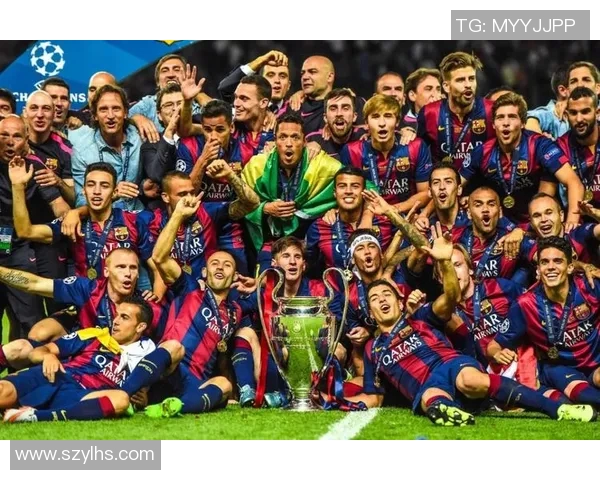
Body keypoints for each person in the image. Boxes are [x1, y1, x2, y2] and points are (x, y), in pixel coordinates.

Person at [344, 275, 595, 425]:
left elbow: (449, 298)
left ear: (400, 303)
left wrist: (444, 262)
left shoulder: (420, 318)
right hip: (425, 385)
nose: (382, 299)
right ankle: (450, 413)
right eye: (375, 298)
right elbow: (374, 398)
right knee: (430, 396)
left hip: (451, 364)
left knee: (469, 381)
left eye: (387, 294)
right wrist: (331, 400)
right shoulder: (372, 349)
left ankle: (558, 409)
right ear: (370, 313)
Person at [147, 208, 253, 415]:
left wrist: (259, 282)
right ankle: (131, 393)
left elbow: (271, 293)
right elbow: (159, 258)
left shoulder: (236, 310)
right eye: (214, 263)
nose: (220, 268)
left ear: (235, 276)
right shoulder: (190, 289)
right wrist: (178, 215)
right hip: (171, 370)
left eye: (227, 265)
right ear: (204, 272)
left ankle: (174, 408)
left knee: (224, 385)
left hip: (196, 383)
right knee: (171, 350)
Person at [1, 297, 156, 423]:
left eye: (124, 317)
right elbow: (36, 353)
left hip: (82, 396)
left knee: (120, 400)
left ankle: (34, 416)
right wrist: (48, 356)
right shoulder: (95, 335)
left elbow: (141, 393)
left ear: (140, 327)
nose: (116, 321)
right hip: (57, 377)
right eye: (116, 315)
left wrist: (142, 399)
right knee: (3, 392)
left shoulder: (148, 355)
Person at [11, 161, 157, 295]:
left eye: (104, 186)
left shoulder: (133, 221)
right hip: (88, 302)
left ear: (114, 193)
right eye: (91, 185)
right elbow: (25, 231)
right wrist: (17, 187)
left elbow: (157, 266)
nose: (97, 191)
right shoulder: (71, 224)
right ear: (83, 190)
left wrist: (156, 296)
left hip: (128, 303)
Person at [488, 236, 600, 409]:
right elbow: (493, 345)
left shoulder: (589, 287)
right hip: (559, 367)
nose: (551, 267)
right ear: (538, 269)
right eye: (545, 262)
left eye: (558, 261)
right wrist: (497, 353)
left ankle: (551, 394)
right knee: (582, 394)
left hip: (596, 363)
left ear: (570, 267)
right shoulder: (525, 304)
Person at [460, 92, 584, 228]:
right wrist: (465, 198)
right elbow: (454, 185)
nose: (505, 123)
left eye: (512, 117)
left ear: (523, 123)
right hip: (500, 224)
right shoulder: (482, 152)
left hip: (537, 223)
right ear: (493, 124)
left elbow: (574, 182)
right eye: (500, 118)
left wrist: (572, 221)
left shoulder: (540, 145)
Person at [232, 236, 326, 407]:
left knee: (337, 349)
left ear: (304, 265)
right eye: (286, 256)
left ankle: (295, 393)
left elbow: (334, 323)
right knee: (245, 332)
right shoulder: (265, 293)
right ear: (274, 264)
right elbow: (235, 310)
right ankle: (248, 391)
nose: (292, 262)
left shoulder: (317, 290)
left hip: (308, 362)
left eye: (297, 257)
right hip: (271, 366)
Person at [242, 112, 342, 271]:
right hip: (272, 242)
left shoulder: (320, 165)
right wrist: (264, 208)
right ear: (274, 141)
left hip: (308, 244)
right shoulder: (258, 166)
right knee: (266, 283)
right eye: (282, 137)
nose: (289, 143)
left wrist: (338, 209)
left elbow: (359, 186)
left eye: (295, 137)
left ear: (304, 141)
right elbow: (240, 204)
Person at [0, 247, 167, 343]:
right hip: (86, 349)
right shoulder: (87, 288)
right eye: (121, 267)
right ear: (106, 271)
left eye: (133, 268)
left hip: (119, 363)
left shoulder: (146, 306)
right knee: (38, 334)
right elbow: (35, 284)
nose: (128, 273)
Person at [0, 115, 69, 340]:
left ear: (26, 140)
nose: (10, 142)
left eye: (16, 136)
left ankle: (25, 361)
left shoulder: (35, 167)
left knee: (29, 319)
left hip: (18, 246)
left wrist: (68, 217)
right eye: (4, 135)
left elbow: (58, 204)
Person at [149, 163, 259, 280]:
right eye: (182, 194)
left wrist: (230, 176)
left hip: (206, 285)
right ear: (165, 197)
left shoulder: (207, 211)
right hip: (176, 286)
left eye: (192, 193)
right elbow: (157, 262)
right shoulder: (155, 221)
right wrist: (178, 215)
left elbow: (252, 204)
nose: (189, 198)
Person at [341, 94, 432, 213]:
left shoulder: (416, 147)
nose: (382, 123)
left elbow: (425, 193)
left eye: (388, 116)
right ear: (366, 123)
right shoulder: (351, 151)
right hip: (369, 216)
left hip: (405, 215)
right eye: (375, 117)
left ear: (397, 121)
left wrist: (391, 210)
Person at [305, 166, 395, 276]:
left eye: (355, 186)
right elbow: (309, 267)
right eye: (342, 186)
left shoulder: (385, 221)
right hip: (337, 287)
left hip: (379, 286)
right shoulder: (319, 227)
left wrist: (388, 272)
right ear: (335, 193)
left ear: (364, 192)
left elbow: (409, 249)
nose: (348, 191)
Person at [70, 84, 145, 212]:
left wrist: (144, 186)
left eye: (116, 108)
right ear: (95, 115)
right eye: (103, 109)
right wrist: (112, 195)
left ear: (126, 113)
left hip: (138, 214)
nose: (110, 115)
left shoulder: (141, 137)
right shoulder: (82, 151)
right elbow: (81, 202)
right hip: (102, 218)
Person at [417, 52, 495, 168]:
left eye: (471, 78)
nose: (468, 85)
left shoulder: (492, 110)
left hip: (483, 179)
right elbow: (417, 157)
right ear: (446, 87)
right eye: (460, 80)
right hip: (444, 179)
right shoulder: (429, 113)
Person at [557, 87, 600, 208]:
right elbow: (546, 194)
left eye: (585, 112)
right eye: (573, 113)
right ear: (567, 115)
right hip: (576, 216)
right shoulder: (559, 147)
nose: (579, 119)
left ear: (597, 113)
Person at [218, 50, 291, 114]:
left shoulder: (295, 110)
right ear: (260, 83)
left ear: (288, 85)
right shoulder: (244, 109)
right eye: (270, 75)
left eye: (282, 76)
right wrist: (260, 61)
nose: (277, 80)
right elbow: (225, 88)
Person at [305, 88, 366, 160]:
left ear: (354, 116)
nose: (339, 113)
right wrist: (305, 148)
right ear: (325, 117)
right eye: (333, 109)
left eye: (345, 108)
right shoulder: (312, 140)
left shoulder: (364, 139)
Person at [140, 83, 183, 185]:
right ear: (159, 115)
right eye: (168, 105)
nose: (175, 108)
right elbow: (156, 175)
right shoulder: (150, 145)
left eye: (180, 103)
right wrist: (169, 132)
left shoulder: (202, 134)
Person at [526, 63, 570, 140]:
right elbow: (529, 121)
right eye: (574, 82)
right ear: (563, 90)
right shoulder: (548, 115)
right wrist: (544, 143)